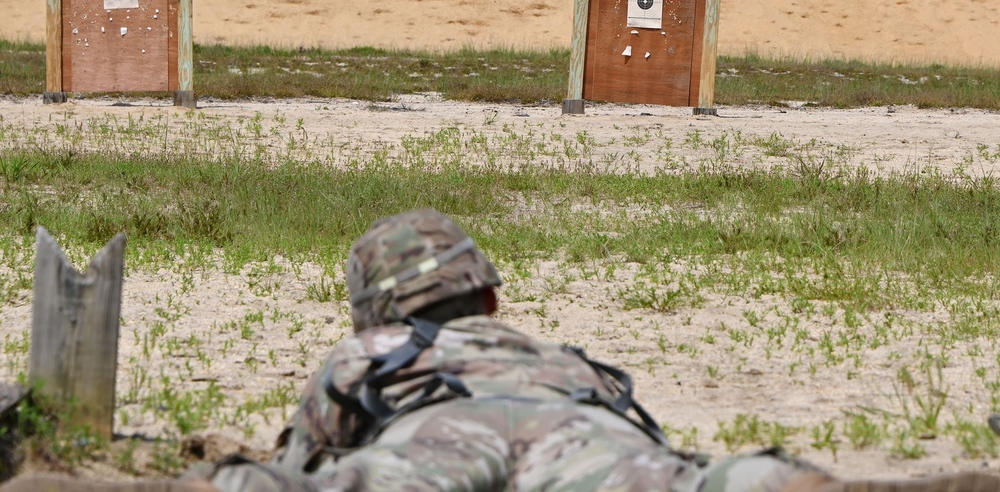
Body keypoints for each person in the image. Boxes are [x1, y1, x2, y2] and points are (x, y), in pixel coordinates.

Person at [3, 209, 1000, 492]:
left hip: (433, 439)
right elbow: (640, 427)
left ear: (372, 305)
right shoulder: (563, 353)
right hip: (578, 435)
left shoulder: (374, 352)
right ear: (488, 291)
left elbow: (307, 451)